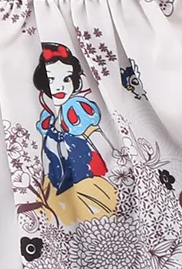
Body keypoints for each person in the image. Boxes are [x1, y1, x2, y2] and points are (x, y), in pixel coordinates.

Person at [33, 42, 119, 223]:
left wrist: (116, 157)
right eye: (51, 79)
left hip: (90, 179)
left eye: (66, 79)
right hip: (58, 187)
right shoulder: (48, 120)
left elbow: (98, 135)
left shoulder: (77, 110)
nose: (59, 87)